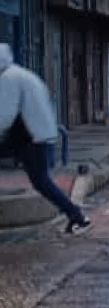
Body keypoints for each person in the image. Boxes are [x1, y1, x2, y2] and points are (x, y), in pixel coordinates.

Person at [0, 44, 89, 233]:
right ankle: (76, 215)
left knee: (41, 182)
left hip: (30, 136)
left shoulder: (8, 78)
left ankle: (77, 216)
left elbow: (5, 114)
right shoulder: (22, 74)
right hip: (37, 134)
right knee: (41, 182)